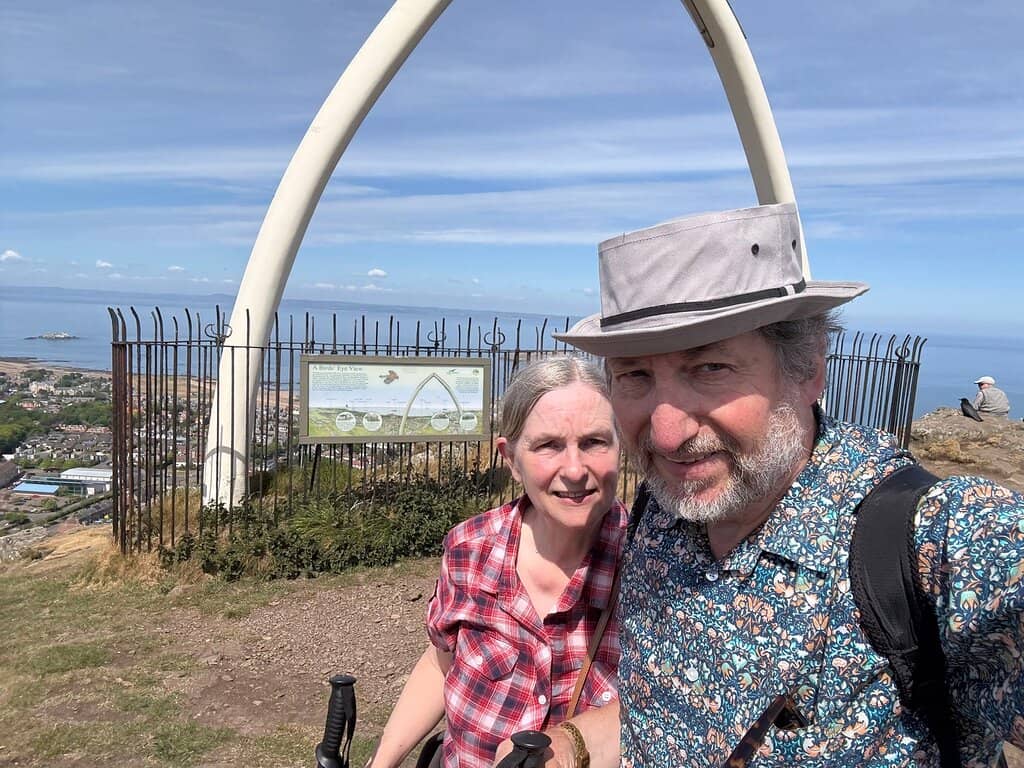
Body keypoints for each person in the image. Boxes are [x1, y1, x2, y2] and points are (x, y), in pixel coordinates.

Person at [502, 202, 1024, 767]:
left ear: (807, 370)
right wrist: (570, 743)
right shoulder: (662, 507)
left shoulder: (931, 539)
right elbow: (665, 712)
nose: (667, 433)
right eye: (635, 376)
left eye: (710, 369)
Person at [368, 356, 627, 768]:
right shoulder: (469, 549)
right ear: (511, 458)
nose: (575, 469)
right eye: (548, 445)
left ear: (620, 443)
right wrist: (382, 761)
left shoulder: (650, 565)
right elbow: (442, 662)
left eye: (595, 442)